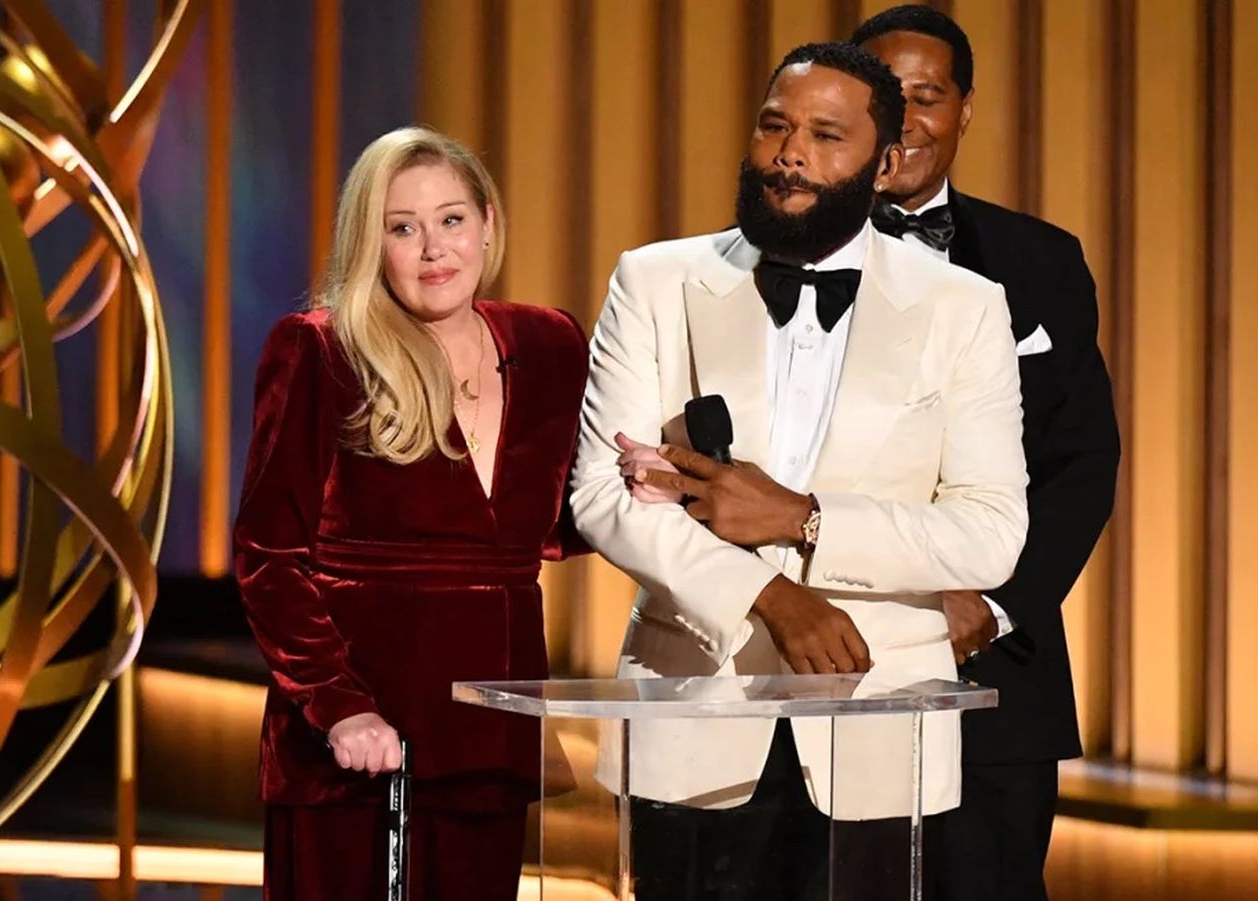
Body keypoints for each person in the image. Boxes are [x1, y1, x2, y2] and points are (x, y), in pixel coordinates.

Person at [571, 41, 1029, 900]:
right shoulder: (655, 280)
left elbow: (990, 530)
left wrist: (804, 519)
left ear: (883, 161)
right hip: (693, 713)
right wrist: (769, 597)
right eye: (774, 126)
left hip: (880, 730)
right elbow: (603, 494)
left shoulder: (965, 307)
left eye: (826, 135)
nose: (790, 152)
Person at [232, 126, 589, 900]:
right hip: (358, 745)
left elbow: (542, 524)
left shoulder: (550, 341)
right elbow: (269, 556)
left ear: (489, 222)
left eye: (452, 219)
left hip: (493, 729)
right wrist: (339, 708)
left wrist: (642, 490)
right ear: (372, 242)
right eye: (403, 227)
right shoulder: (321, 350)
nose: (434, 248)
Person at [853, 7, 1121, 900]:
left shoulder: (1041, 260)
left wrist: (995, 604)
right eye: (883, 97)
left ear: (965, 111)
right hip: (821, 670)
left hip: (997, 682)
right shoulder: (758, 260)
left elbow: (1081, 462)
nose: (904, 121)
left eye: (926, 97)